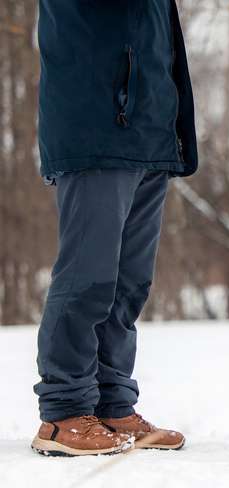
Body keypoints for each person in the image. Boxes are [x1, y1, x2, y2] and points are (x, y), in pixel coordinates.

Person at [31, 0, 198, 457]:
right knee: (89, 277)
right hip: (95, 126)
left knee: (128, 285)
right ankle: (63, 413)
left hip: (149, 132)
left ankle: (111, 405)